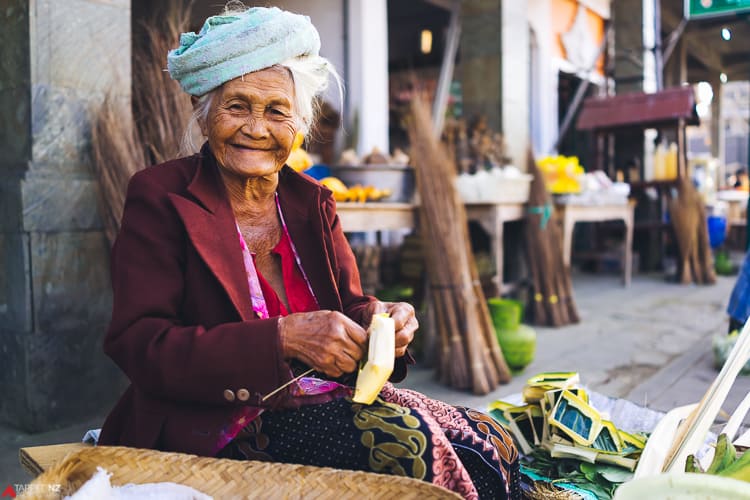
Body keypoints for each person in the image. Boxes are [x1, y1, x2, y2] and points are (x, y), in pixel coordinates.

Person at [99, 5, 519, 499]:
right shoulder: (160, 195)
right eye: (237, 106)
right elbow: (140, 344)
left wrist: (384, 319)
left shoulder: (310, 201)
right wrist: (280, 339)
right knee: (409, 444)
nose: (256, 128)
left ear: (299, 122)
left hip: (324, 397)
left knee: (488, 438)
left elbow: (351, 305)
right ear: (206, 113)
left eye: (277, 111)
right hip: (219, 422)